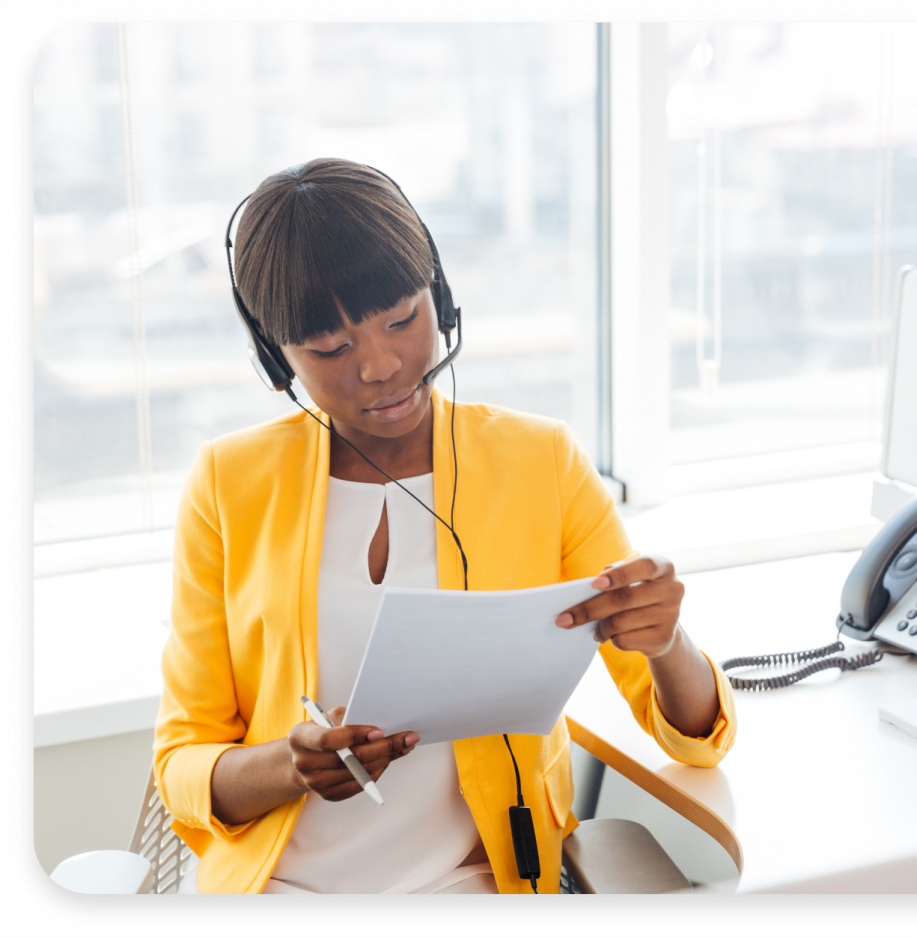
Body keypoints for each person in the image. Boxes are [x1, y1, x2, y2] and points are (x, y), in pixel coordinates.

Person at [155, 158, 737, 895]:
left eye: (402, 317)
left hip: (471, 878)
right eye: (330, 348)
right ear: (278, 357)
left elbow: (690, 734)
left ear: (442, 297)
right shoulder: (226, 483)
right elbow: (180, 762)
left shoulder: (540, 461)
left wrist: (665, 641)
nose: (380, 365)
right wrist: (288, 765)